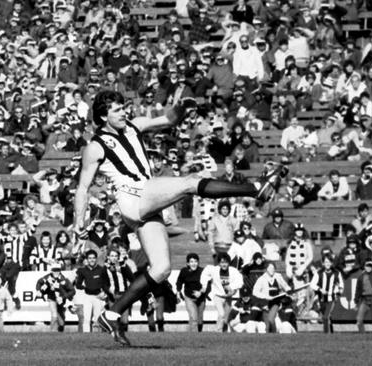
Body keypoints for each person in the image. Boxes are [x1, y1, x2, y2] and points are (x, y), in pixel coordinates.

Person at [75, 91, 277, 345]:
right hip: (132, 197)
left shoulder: (134, 126)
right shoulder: (95, 146)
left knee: (161, 269)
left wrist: (181, 107)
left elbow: (169, 120)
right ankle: (255, 188)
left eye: (124, 107)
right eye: (117, 110)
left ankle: (112, 314)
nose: (124, 112)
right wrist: (78, 223)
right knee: (190, 182)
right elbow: (82, 188)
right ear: (103, 116)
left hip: (146, 198)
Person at [199, 253, 242, 332]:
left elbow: (240, 281)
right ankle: (217, 331)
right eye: (222, 263)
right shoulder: (214, 270)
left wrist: (232, 288)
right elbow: (205, 273)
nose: (224, 265)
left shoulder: (233, 271)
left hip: (228, 297)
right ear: (219, 263)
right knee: (221, 314)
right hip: (218, 296)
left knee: (225, 318)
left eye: (225, 262)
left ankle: (224, 333)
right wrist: (204, 286)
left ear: (229, 263)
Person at [74, 250, 109, 332]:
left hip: (98, 297)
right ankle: (87, 336)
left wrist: (104, 293)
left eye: (93, 258)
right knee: (86, 319)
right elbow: (78, 285)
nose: (92, 260)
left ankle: (97, 338)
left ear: (96, 259)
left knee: (97, 319)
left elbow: (107, 283)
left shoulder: (102, 269)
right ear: (87, 259)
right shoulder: (83, 270)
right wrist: (85, 287)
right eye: (89, 258)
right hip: (87, 297)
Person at [36, 263, 76, 332]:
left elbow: (72, 291)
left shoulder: (63, 280)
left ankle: (60, 331)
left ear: (60, 270)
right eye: (54, 270)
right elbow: (39, 282)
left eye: (58, 270)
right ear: (51, 271)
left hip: (61, 300)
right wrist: (38, 290)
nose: (56, 272)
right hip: (51, 298)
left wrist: (63, 297)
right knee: (54, 315)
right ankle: (52, 332)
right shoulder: (47, 277)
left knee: (61, 320)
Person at [252, 262, 290, 333]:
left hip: (276, 302)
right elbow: (255, 292)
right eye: (270, 268)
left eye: (273, 268)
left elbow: (285, 286)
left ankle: (274, 333)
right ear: (266, 269)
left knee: (271, 319)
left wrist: (289, 290)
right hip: (266, 303)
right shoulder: (262, 279)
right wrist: (265, 297)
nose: (272, 270)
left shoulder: (278, 276)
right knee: (267, 325)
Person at [310, 254, 343, 333]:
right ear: (323, 263)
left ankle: (326, 335)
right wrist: (320, 289)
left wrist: (339, 290)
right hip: (322, 298)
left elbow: (341, 284)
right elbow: (312, 284)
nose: (327, 264)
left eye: (329, 262)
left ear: (332, 263)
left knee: (325, 317)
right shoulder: (319, 273)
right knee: (327, 317)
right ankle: (331, 332)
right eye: (326, 262)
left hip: (332, 298)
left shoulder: (336, 273)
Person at [176, 253, 206, 332]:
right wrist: (178, 292)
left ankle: (199, 335)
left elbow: (207, 285)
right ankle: (194, 338)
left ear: (198, 262)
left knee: (200, 320)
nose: (194, 264)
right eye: (191, 262)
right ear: (188, 263)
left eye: (195, 261)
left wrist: (200, 292)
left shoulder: (202, 271)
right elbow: (179, 281)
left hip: (201, 298)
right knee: (193, 318)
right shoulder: (184, 271)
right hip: (189, 298)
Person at [353, 261, 372, 333]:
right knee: (359, 320)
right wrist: (356, 301)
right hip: (364, 300)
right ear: (364, 267)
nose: (368, 268)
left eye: (370, 266)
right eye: (367, 266)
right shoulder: (361, 277)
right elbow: (358, 289)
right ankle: (363, 336)